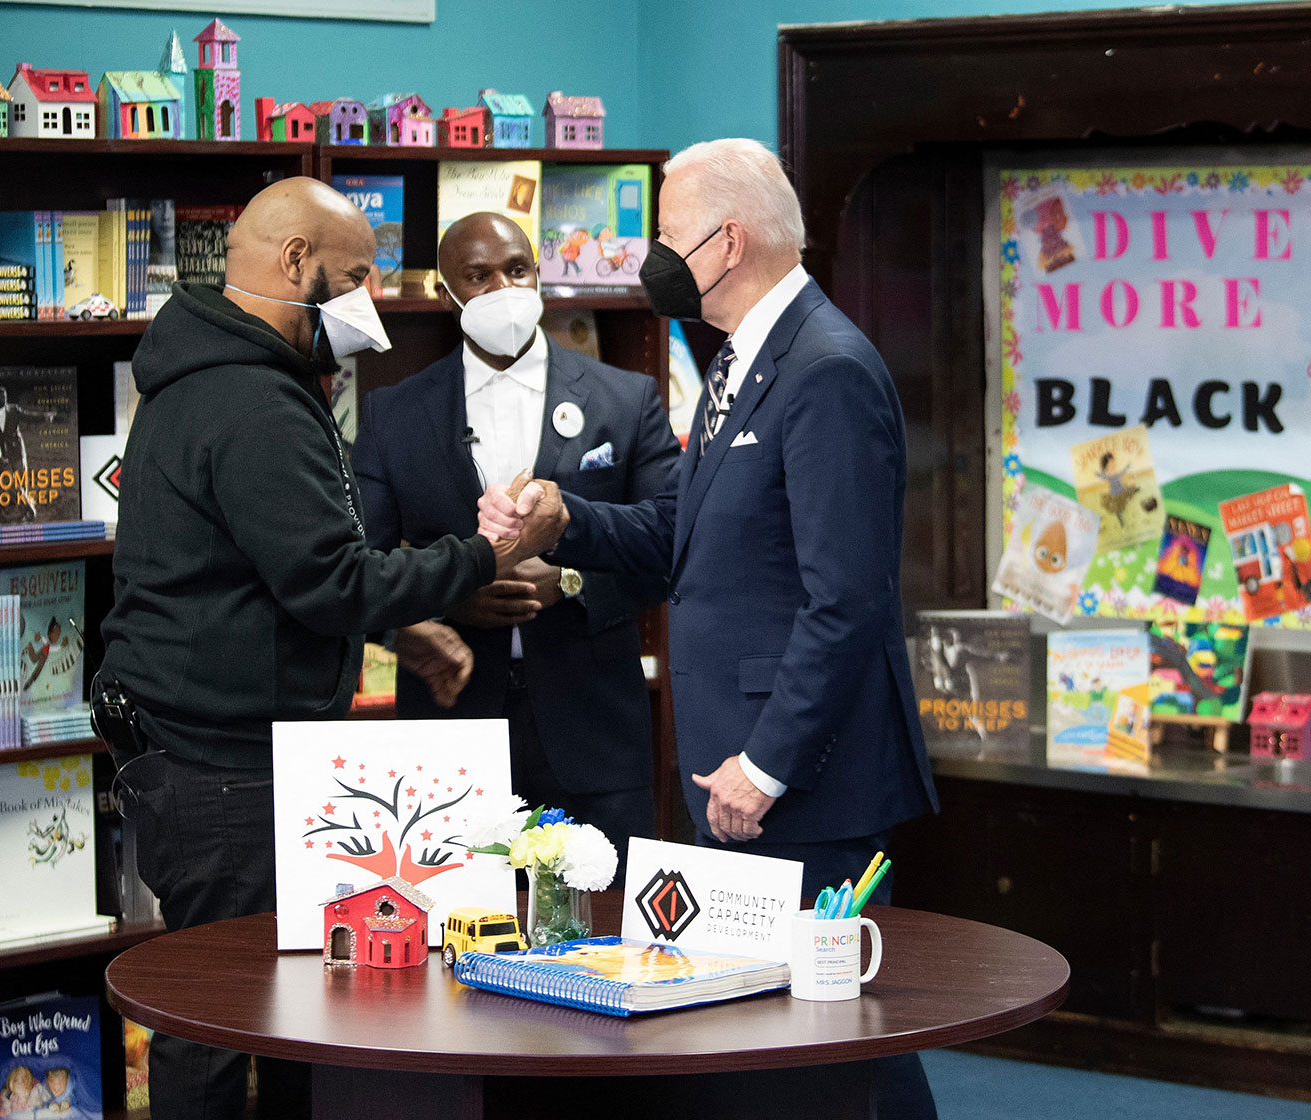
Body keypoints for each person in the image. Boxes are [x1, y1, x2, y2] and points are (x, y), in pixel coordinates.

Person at [477, 138, 940, 1118]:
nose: (649, 254)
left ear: (727, 243)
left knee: (831, 1051)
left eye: (664, 234)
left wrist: (765, 764)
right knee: (767, 1049)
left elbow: (845, 598)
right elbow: (676, 534)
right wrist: (564, 519)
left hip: (797, 782)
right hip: (731, 774)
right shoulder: (743, 361)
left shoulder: (826, 369)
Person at [97, 177, 555, 1120]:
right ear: (297, 264)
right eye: (354, 277)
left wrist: (394, 623)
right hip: (222, 769)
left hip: (200, 750)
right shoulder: (254, 402)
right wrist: (489, 552)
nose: (368, 303)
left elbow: (270, 569)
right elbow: (330, 579)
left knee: (267, 1006)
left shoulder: (212, 374)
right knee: (219, 1022)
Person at [351, 212, 679, 878]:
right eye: (477, 276)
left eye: (516, 268)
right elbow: (359, 571)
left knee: (600, 940)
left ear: (540, 275)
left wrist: (576, 583)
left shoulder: (627, 398)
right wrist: (445, 602)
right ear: (448, 296)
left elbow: (671, 542)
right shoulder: (393, 413)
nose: (502, 286)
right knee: (455, 943)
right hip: (453, 730)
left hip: (595, 732)